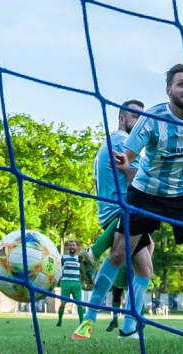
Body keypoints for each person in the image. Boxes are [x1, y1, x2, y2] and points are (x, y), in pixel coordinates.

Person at [72, 65, 183, 342]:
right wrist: (124, 160)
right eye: (180, 84)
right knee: (119, 255)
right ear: (169, 89)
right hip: (146, 194)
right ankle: (89, 317)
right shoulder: (151, 118)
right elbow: (130, 155)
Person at [77, 99, 154, 334]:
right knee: (127, 263)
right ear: (122, 118)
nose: (140, 122)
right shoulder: (123, 141)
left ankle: (102, 322)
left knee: (144, 261)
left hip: (111, 213)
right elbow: (137, 179)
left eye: (143, 117)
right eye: (134, 116)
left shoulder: (108, 142)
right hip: (121, 212)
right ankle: (125, 325)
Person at [57, 240, 84, 327]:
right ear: (68, 247)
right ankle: (60, 320)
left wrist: (84, 282)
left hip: (76, 283)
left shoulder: (80, 258)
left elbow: (83, 271)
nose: (72, 247)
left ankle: (81, 322)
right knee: (63, 303)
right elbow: (58, 268)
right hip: (66, 282)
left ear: (76, 247)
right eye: (70, 245)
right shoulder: (64, 257)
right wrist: (59, 277)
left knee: (79, 303)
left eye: (74, 245)